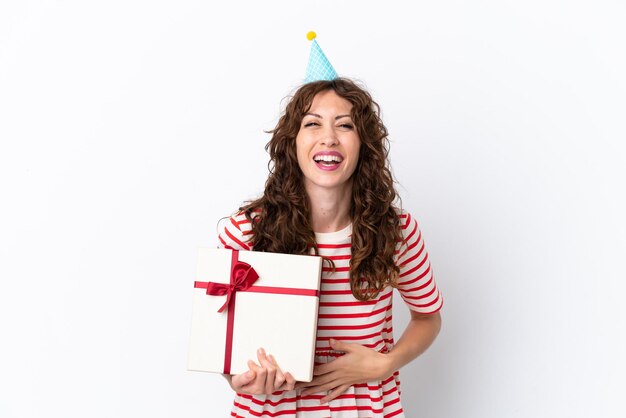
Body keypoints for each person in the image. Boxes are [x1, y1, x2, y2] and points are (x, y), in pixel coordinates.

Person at [216, 77, 443, 417]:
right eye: (312, 123)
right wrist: (239, 378)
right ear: (292, 142)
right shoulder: (245, 232)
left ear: (364, 143)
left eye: (345, 125)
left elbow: (427, 318)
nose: (328, 137)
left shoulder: (397, 231)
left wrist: (386, 364)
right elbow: (221, 340)